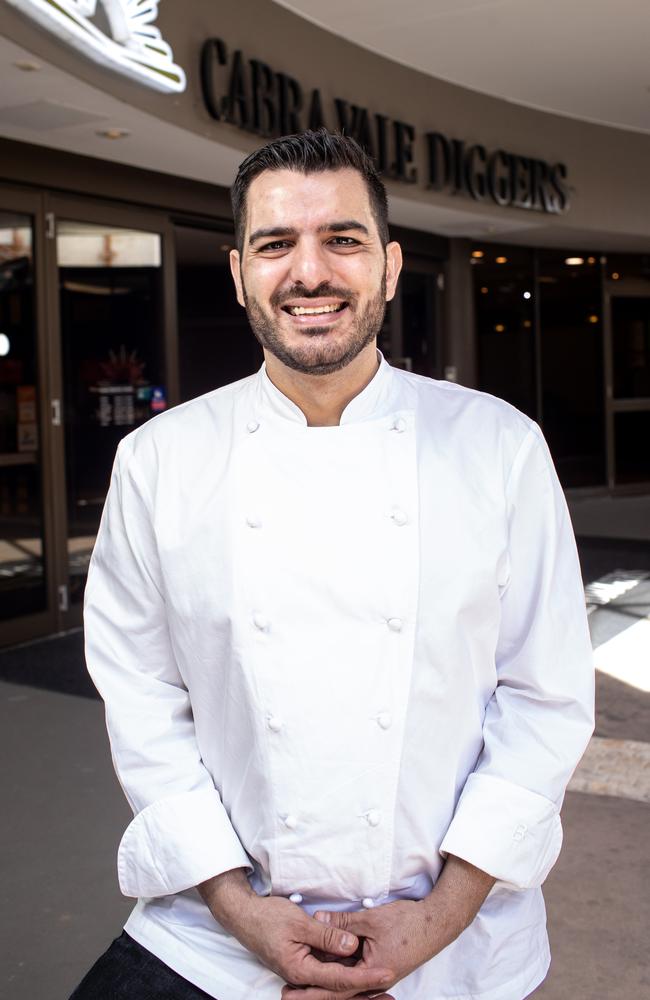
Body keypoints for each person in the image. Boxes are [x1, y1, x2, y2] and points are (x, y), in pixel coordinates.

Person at [72, 129, 594, 1000]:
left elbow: (544, 699)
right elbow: (143, 705)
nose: (309, 272)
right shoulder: (160, 461)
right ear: (239, 272)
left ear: (389, 267)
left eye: (341, 239)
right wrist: (243, 912)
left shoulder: (498, 445)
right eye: (276, 243)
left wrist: (435, 919)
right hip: (216, 935)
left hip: (454, 946)